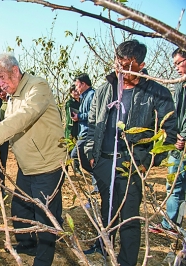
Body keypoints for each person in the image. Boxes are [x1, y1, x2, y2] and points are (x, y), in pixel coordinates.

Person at [83, 40, 177, 266]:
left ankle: (126, 262)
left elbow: (168, 133)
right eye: (118, 64)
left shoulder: (158, 93)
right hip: (104, 163)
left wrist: (145, 162)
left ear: (141, 65)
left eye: (127, 66)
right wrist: (90, 154)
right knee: (107, 213)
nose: (121, 70)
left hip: (133, 165)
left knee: (129, 219)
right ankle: (105, 253)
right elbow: (91, 124)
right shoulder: (105, 88)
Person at [0, 53, 66, 266]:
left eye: (1, 77)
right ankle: (27, 245)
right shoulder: (11, 97)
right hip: (26, 166)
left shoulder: (37, 86)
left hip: (47, 166)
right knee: (20, 209)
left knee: (45, 217)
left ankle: (43, 260)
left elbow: (25, 116)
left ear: (15, 70)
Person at [155, 48, 186, 232]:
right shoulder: (178, 86)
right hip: (178, 144)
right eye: (174, 64)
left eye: (179, 62)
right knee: (173, 184)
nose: (176, 67)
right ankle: (170, 224)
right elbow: (175, 115)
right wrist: (175, 136)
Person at [70, 73, 96, 191]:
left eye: (77, 85)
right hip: (83, 132)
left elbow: (93, 114)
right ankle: (98, 183)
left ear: (83, 84)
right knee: (89, 158)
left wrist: (80, 116)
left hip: (88, 132)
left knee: (76, 155)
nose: (76, 88)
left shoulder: (92, 95)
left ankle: (99, 177)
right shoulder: (85, 96)